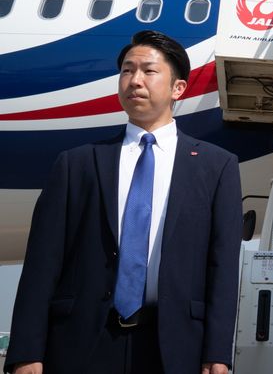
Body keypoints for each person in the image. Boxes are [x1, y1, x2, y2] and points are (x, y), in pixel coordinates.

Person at [5, 30, 242, 374]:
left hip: (174, 346)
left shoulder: (217, 166)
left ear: (178, 88)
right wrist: (26, 351)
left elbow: (222, 267)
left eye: (148, 70)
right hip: (83, 342)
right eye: (127, 71)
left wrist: (218, 353)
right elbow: (43, 262)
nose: (134, 80)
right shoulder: (77, 163)